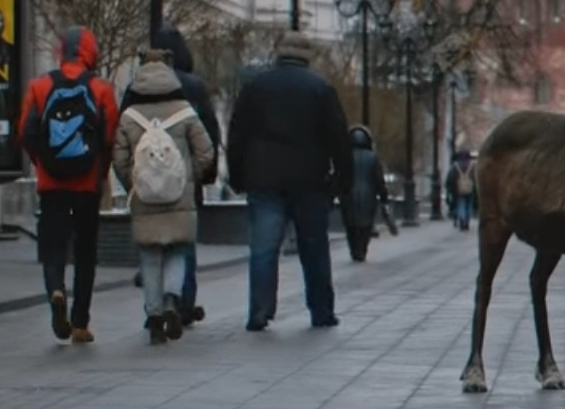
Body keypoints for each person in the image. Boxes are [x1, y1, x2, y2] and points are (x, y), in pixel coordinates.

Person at [227, 32, 352, 332]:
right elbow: (338, 137)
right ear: (307, 56)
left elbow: (237, 133)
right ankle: (321, 311)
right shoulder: (320, 88)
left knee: (263, 248)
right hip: (310, 179)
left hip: (264, 178)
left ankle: (259, 311)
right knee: (314, 249)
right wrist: (342, 179)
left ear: (279, 53)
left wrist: (237, 175)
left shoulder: (256, 86)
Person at [17, 26, 119, 343]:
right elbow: (109, 136)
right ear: (90, 52)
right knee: (86, 251)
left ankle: (56, 292)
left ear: (62, 51)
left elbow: (26, 132)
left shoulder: (39, 86)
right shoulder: (101, 90)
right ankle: (79, 322)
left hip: (51, 184)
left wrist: (43, 164)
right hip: (87, 184)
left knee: (53, 247)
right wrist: (100, 172)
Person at [112, 50, 214, 344]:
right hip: (179, 197)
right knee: (177, 250)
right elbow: (206, 151)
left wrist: (133, 181)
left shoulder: (130, 116)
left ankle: (154, 315)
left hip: (144, 198)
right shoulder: (184, 110)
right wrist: (188, 175)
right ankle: (171, 302)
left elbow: (118, 157)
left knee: (149, 256)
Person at [340, 125, 391, 262]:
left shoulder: (346, 156)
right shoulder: (373, 157)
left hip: (349, 195)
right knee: (366, 226)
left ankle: (354, 249)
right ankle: (362, 249)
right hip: (369, 195)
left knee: (350, 225)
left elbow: (340, 176)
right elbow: (379, 180)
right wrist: (384, 196)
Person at [446, 150, 476, 231]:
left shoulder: (456, 166)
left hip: (459, 189)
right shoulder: (472, 166)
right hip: (470, 188)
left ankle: (462, 219)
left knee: (461, 204)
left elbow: (450, 178)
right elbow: (476, 178)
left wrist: (450, 189)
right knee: (469, 204)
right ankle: (467, 219)